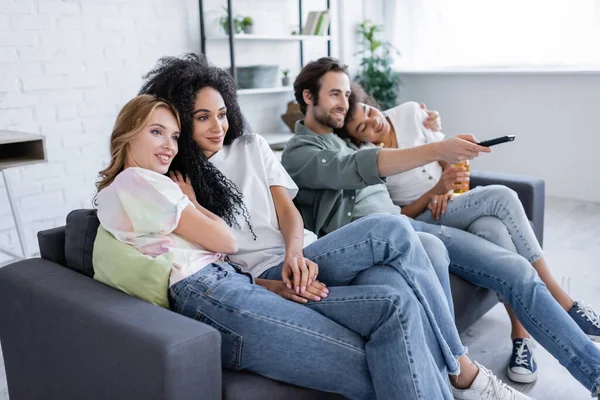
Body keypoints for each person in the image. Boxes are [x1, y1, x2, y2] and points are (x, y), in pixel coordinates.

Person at [138, 53, 532, 400]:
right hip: (262, 277)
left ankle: (458, 372)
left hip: (304, 254)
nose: (216, 127)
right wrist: (269, 277)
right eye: (201, 117)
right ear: (178, 118)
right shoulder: (174, 175)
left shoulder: (250, 146)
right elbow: (209, 259)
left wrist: (295, 253)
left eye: (222, 114)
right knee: (393, 235)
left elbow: (288, 211)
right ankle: (462, 370)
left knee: (393, 275)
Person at [281, 56, 600, 397]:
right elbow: (358, 166)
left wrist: (426, 122)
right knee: (434, 248)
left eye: (346, 94)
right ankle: (459, 371)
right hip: (374, 243)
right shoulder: (299, 152)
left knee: (516, 270)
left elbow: (382, 131)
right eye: (334, 95)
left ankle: (595, 374)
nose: (344, 103)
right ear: (308, 97)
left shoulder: (348, 136)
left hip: (411, 227)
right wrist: (436, 148)